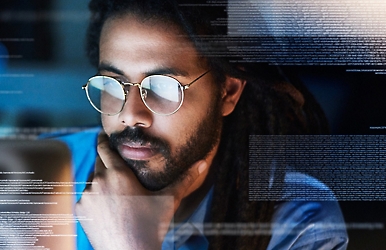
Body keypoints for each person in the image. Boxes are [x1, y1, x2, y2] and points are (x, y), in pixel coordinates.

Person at [52, 0, 349, 249]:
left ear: (228, 92)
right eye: (113, 84)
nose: (129, 115)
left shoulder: (298, 222)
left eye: (164, 88)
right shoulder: (48, 174)